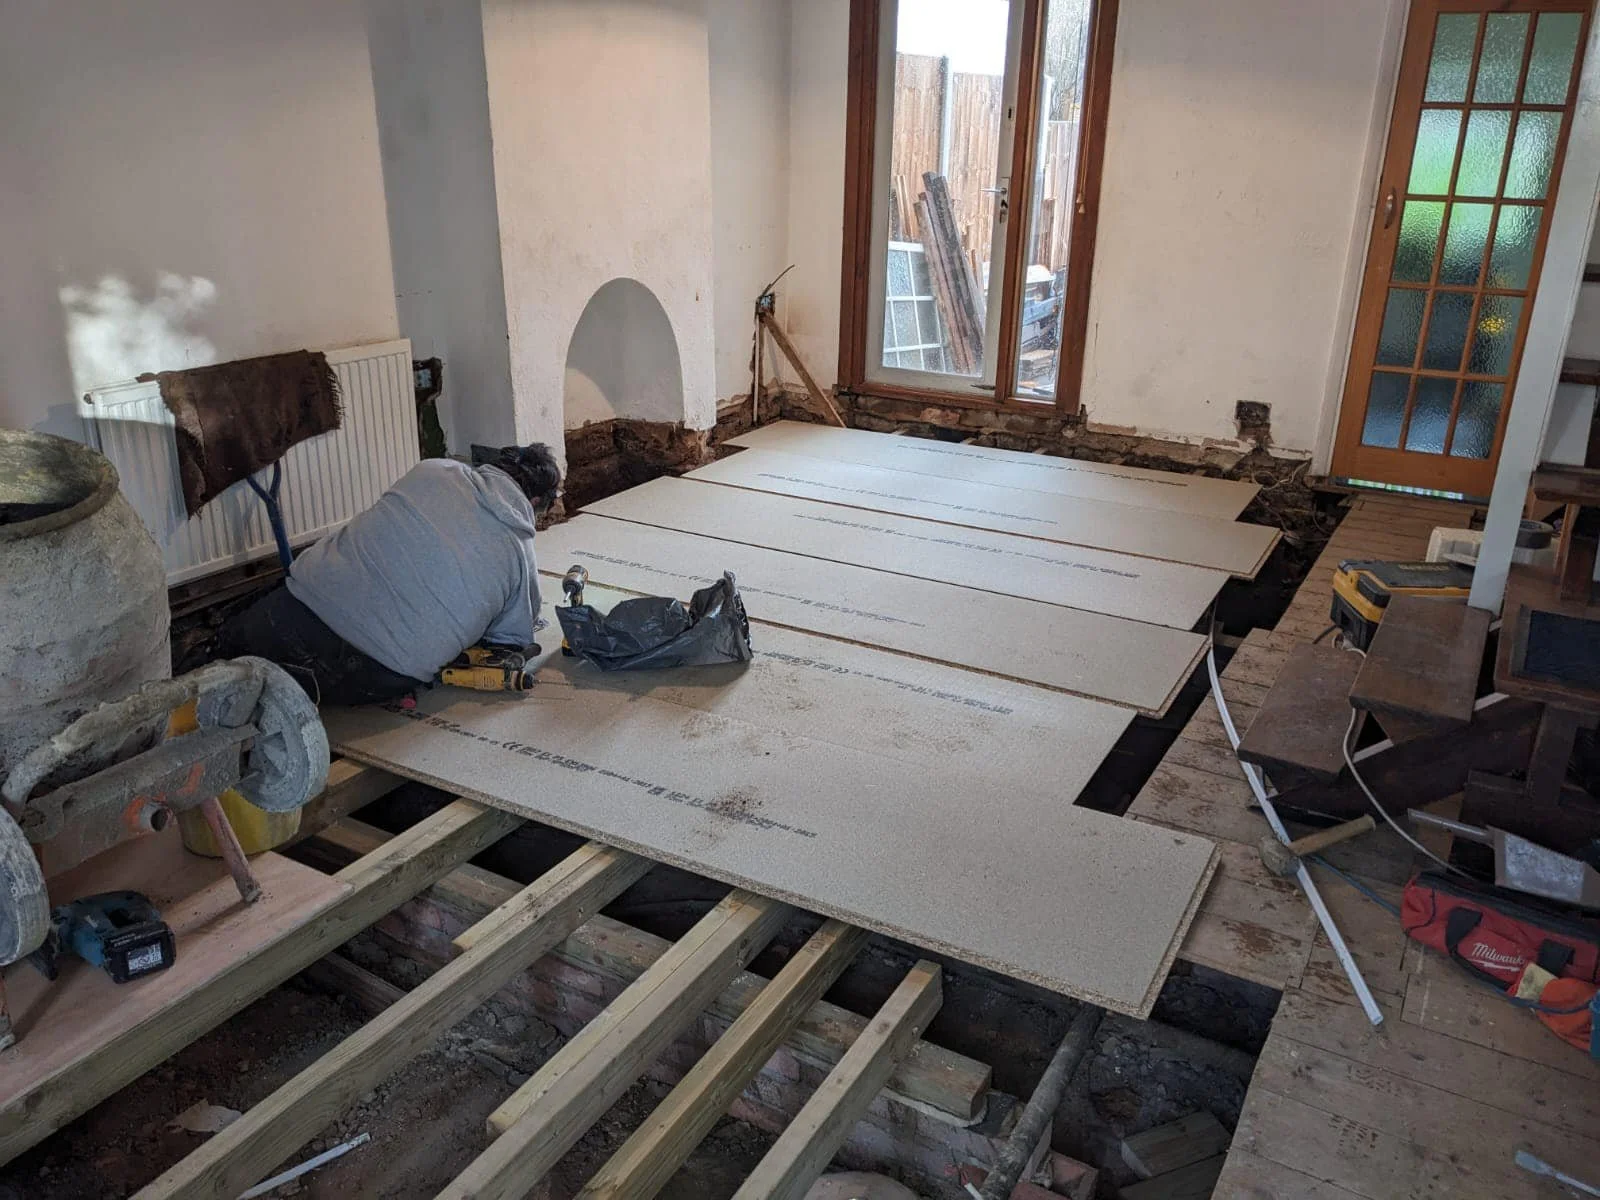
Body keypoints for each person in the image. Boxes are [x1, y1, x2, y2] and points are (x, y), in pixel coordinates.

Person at [215, 444, 560, 706]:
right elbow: (513, 638)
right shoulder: (519, 553)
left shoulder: (433, 470)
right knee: (276, 696)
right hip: (375, 671)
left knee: (217, 660)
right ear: (533, 499)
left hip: (302, 606)